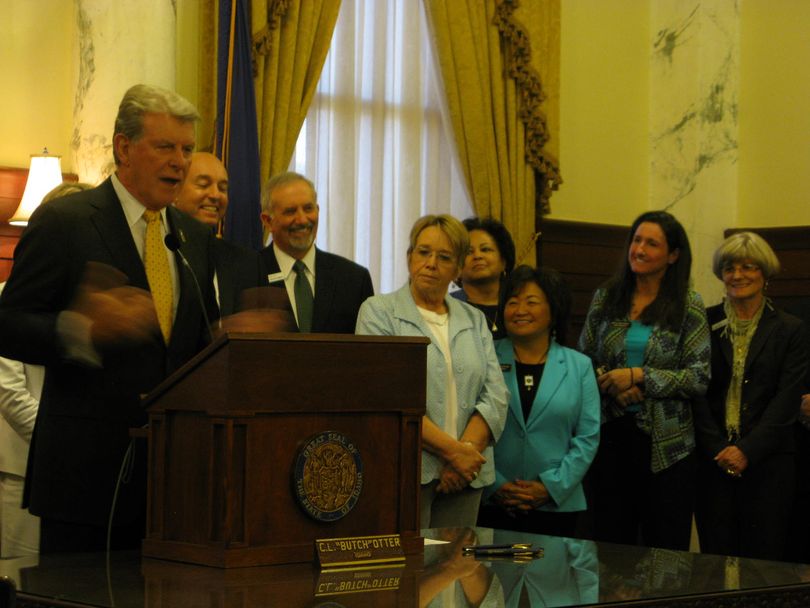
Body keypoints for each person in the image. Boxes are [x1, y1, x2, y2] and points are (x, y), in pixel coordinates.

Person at [0, 84, 218, 553]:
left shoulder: (194, 239)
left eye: (186, 149)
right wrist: (80, 329)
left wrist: (234, 345)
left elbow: (196, 343)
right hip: (84, 484)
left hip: (174, 488)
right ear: (124, 146)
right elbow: (9, 323)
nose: (180, 161)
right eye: (165, 147)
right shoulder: (65, 222)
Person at [356, 214, 508, 528]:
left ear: (457, 268)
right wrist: (454, 453)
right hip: (406, 471)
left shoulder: (474, 318)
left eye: (444, 257)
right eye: (423, 252)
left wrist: (465, 455)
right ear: (409, 256)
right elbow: (384, 395)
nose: (431, 263)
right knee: (409, 573)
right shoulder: (379, 311)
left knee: (459, 572)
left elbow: (495, 394)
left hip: (468, 475)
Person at [578, 210, 710, 550]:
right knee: (610, 545)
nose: (639, 249)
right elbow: (584, 361)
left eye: (652, 243)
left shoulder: (688, 305)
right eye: (636, 240)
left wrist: (640, 377)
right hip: (610, 436)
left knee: (664, 550)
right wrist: (611, 386)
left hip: (669, 447)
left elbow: (698, 376)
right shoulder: (606, 298)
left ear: (673, 255)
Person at [694, 232, 808, 561]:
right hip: (712, 460)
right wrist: (718, 448)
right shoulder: (702, 321)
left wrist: (746, 450)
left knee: (764, 561)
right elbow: (696, 390)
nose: (738, 275)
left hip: (769, 462)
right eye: (730, 268)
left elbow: (787, 399)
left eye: (748, 267)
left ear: (765, 273)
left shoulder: (790, 328)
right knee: (714, 560)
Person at [0, 182, 92, 558]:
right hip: (23, 469)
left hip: (86, 475)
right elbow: (9, 392)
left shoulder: (91, 302)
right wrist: (67, 437)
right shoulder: (10, 297)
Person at [479, 265, 600, 538]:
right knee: (494, 580)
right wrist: (495, 485)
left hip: (558, 504)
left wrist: (551, 487)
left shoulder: (579, 366)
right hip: (493, 502)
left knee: (552, 579)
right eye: (512, 302)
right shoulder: (485, 358)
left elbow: (587, 437)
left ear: (553, 310)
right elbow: (468, 427)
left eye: (531, 302)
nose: (520, 310)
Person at [259, 172, 373, 333]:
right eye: (291, 211)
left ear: (317, 210)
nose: (302, 219)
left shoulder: (354, 280)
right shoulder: (248, 275)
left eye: (308, 208)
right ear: (268, 221)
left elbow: (369, 350)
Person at [174, 151, 266, 316]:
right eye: (203, 185)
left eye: (223, 188)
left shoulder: (248, 263)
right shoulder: (161, 251)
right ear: (175, 191)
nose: (216, 195)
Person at [452, 217, 516, 339]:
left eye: (485, 249)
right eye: (469, 252)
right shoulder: (447, 307)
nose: (478, 256)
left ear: (503, 261)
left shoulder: (519, 306)